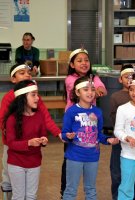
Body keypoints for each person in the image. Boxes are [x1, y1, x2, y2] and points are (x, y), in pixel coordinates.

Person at [0, 63, 61, 193]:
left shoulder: (34, 98)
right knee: (9, 177)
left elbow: (46, 117)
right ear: (13, 79)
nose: (27, 75)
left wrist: (58, 133)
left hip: (31, 149)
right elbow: (3, 121)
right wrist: (11, 137)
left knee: (29, 186)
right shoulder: (8, 98)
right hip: (12, 145)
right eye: (21, 73)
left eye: (28, 72)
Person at [61, 76, 118, 200]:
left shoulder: (98, 112)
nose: (90, 92)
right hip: (74, 156)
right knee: (71, 190)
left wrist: (108, 140)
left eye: (92, 89)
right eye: (85, 89)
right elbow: (64, 133)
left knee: (91, 189)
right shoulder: (71, 112)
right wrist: (68, 136)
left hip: (93, 157)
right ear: (77, 92)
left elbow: (99, 134)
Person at [60, 48, 107, 198]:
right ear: (72, 64)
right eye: (79, 60)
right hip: (74, 122)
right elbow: (75, 85)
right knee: (69, 159)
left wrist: (99, 88)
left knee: (88, 152)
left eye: (86, 60)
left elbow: (102, 89)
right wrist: (91, 86)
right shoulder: (70, 79)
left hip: (90, 120)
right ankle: (65, 191)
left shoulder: (94, 77)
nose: (84, 63)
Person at [3, 80, 48, 200]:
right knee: (18, 196)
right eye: (33, 95)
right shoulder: (12, 119)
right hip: (16, 163)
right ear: (22, 97)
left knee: (31, 196)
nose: (37, 98)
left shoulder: (39, 115)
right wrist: (28, 143)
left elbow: (43, 133)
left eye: (37, 94)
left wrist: (43, 140)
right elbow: (11, 143)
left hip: (34, 163)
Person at [109, 64, 135, 200]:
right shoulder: (115, 97)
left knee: (134, 170)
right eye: (126, 77)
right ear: (120, 79)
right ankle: (117, 196)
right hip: (120, 138)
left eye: (132, 77)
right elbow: (113, 118)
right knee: (117, 171)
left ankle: (134, 195)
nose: (129, 79)